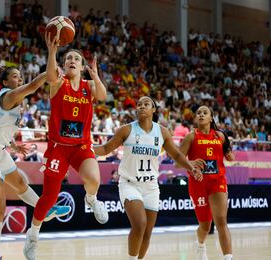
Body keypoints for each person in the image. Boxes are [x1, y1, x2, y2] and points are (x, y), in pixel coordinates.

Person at [0, 66, 71, 260]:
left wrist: (14, 146)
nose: (19, 79)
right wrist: (49, 71)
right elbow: (33, 86)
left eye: (20, 76)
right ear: (6, 82)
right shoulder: (8, 95)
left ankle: (46, 208)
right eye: (15, 76)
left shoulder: (12, 101)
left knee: (20, 184)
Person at [23, 34, 109, 260]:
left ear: (81, 67)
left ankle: (91, 199)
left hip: (80, 146)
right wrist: (52, 52)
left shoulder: (88, 86)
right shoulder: (58, 83)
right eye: (68, 58)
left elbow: (103, 95)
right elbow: (50, 74)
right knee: (50, 197)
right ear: (64, 65)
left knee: (94, 179)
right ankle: (33, 235)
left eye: (76, 59)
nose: (72, 60)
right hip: (58, 147)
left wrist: (96, 76)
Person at [93, 96, 203, 260]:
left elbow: (177, 155)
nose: (141, 107)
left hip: (151, 186)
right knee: (139, 225)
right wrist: (85, 148)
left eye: (146, 104)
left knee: (147, 233)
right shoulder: (126, 130)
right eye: (139, 105)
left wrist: (191, 167)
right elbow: (105, 148)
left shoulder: (163, 132)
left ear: (154, 110)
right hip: (129, 184)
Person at [178, 105, 234, 260]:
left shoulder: (220, 136)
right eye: (198, 113)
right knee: (205, 226)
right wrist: (192, 163)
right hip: (198, 184)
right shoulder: (191, 136)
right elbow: (177, 162)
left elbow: (230, 156)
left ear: (211, 118)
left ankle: (228, 257)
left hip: (217, 182)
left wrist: (229, 153)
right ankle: (201, 245)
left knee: (221, 220)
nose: (201, 115)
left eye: (205, 113)